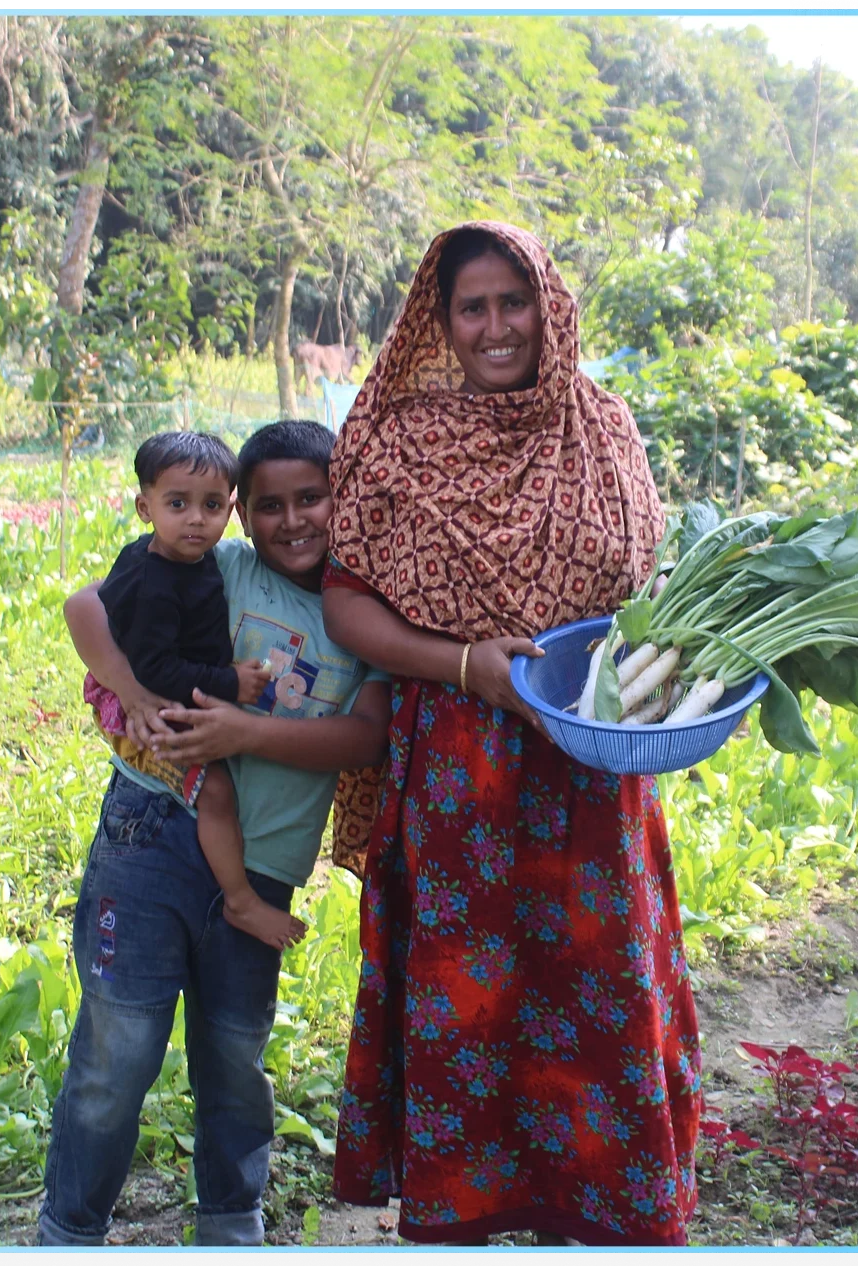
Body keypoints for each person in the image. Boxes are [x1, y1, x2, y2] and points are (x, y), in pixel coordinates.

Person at [320, 221, 703, 1246]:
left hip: (589, 765)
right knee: (470, 999)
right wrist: (465, 664)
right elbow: (345, 604)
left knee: (597, 984)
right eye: (472, 307)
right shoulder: (400, 441)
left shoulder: (602, 427)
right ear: (440, 322)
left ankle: (595, 1205)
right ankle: (466, 1209)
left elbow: (643, 591)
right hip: (462, 773)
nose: (496, 326)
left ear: (549, 306)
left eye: (513, 301)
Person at [40, 419, 392, 1248]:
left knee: (235, 1058)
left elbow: (367, 737)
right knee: (117, 1050)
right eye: (269, 505)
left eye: (312, 498)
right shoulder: (219, 566)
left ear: (343, 500)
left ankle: (231, 1226)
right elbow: (86, 609)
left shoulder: (363, 614)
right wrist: (130, 691)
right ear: (242, 514)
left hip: (264, 864)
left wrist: (243, 732)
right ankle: (69, 1232)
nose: (293, 520)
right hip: (151, 831)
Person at [82, 431, 304, 951]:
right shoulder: (156, 583)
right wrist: (230, 682)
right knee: (217, 792)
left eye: (211, 506)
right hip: (152, 706)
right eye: (177, 504)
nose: (197, 520)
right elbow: (155, 669)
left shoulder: (187, 558)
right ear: (145, 508)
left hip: (168, 692)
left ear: (231, 507)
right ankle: (239, 899)